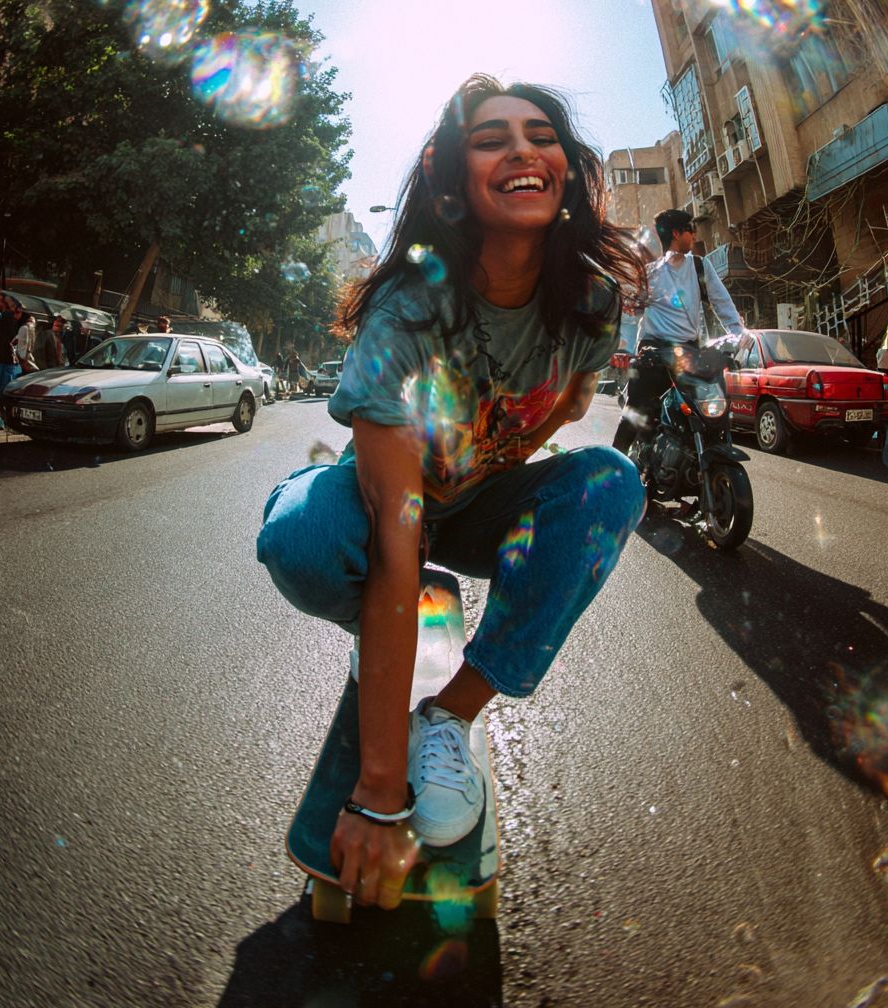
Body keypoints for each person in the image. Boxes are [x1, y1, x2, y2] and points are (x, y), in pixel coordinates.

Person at [257, 74, 647, 910]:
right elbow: (400, 538)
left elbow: (567, 411)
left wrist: (491, 472)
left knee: (610, 483)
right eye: (490, 137)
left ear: (566, 170)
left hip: (478, 506)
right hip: (382, 511)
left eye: (540, 134)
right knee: (304, 539)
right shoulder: (407, 316)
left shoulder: (590, 305)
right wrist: (377, 789)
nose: (521, 149)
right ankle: (379, 638)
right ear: (451, 178)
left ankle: (449, 717)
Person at [612, 208, 745, 455]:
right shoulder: (651, 273)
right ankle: (615, 464)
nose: (694, 235)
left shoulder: (699, 266)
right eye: (690, 230)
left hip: (690, 352)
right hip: (654, 351)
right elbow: (631, 315)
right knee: (636, 412)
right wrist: (623, 347)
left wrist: (738, 334)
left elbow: (721, 301)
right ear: (676, 233)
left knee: (711, 408)